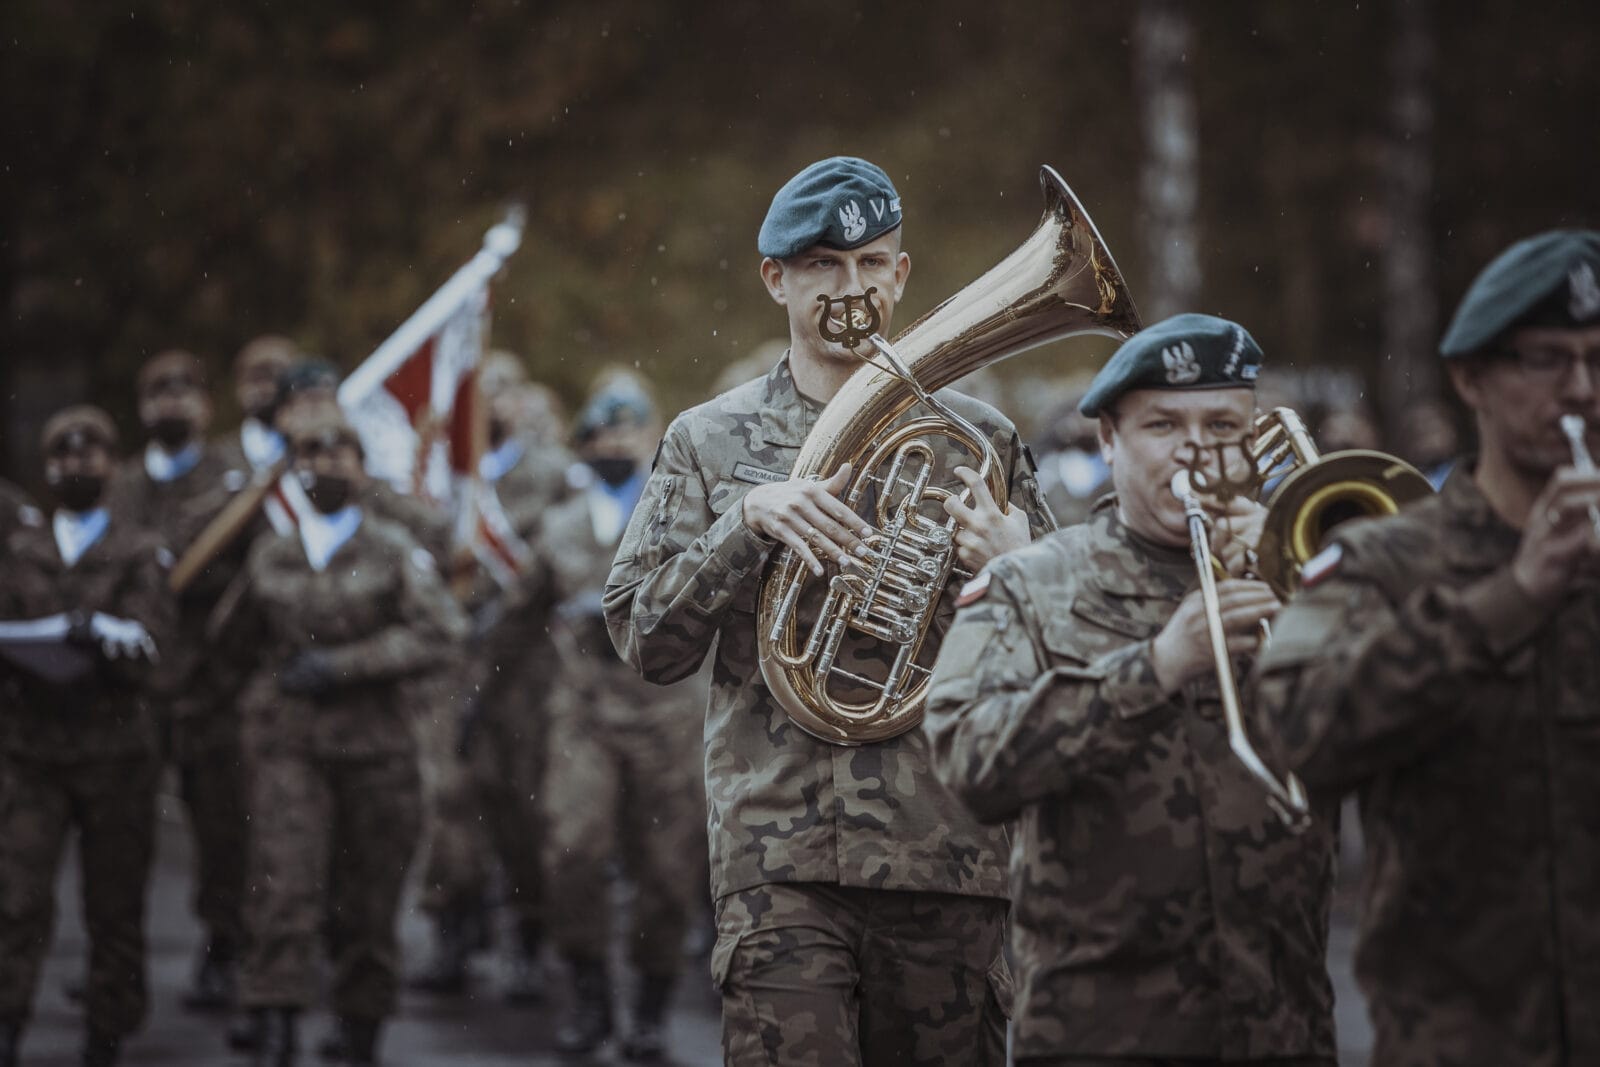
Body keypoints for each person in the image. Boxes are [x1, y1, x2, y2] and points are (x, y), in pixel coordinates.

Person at [605, 156, 1050, 1064]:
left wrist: (1021, 565)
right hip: (780, 861)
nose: (853, 287)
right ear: (777, 279)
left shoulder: (983, 438)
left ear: (902, 272)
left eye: (872, 264)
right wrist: (743, 522)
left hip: (950, 855)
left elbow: (1063, 646)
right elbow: (643, 641)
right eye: (822, 266)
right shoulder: (707, 438)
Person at [924, 313, 1340, 1066]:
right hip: (1101, 1032)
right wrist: (1155, 666)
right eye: (1162, 424)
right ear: (1109, 439)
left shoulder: (1309, 578)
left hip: (1285, 1027)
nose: (1195, 447)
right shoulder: (1033, 580)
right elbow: (969, 764)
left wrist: (1311, 616)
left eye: (1222, 423)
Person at [1251, 230, 1600, 1066]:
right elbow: (1292, 731)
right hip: (1462, 1039)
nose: (1582, 389)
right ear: (1470, 378)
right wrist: (1514, 597)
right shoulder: (1386, 559)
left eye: (1597, 359)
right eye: (1548, 360)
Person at [216, 407, 467, 1065]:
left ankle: (360, 1028)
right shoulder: (273, 550)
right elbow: (231, 639)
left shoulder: (392, 549)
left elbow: (442, 631)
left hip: (376, 750)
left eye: (337, 454)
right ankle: (275, 1020)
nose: (323, 465)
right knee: (284, 886)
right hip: (290, 748)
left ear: (361, 468)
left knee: (368, 900)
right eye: (309, 454)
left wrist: (344, 664)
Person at [0, 406, 173, 1067]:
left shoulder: (139, 549)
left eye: (91, 454)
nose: (77, 465)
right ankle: (8, 1021)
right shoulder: (22, 552)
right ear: (48, 470)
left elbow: (155, 647)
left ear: (111, 464)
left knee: (114, 903)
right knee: (15, 897)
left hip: (115, 754)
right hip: (33, 751)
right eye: (64, 457)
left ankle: (107, 1032)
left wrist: (101, 637)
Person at [539, 378, 707, 1058]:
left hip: (666, 712)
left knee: (668, 870)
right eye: (602, 435)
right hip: (585, 714)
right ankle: (588, 992)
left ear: (651, 437)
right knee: (573, 851)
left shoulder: (684, 512)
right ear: (584, 446)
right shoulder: (558, 523)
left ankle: (650, 1006)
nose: (615, 445)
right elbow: (513, 619)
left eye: (629, 432)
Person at [104, 348, 253, 1011]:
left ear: (205, 405)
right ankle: (118, 965)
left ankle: (224, 949)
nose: (172, 401)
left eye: (185, 390)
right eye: (159, 391)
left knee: (222, 829)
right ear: (142, 408)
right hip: (132, 690)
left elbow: (250, 585)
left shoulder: (236, 484)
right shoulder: (119, 484)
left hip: (209, 685)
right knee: (119, 834)